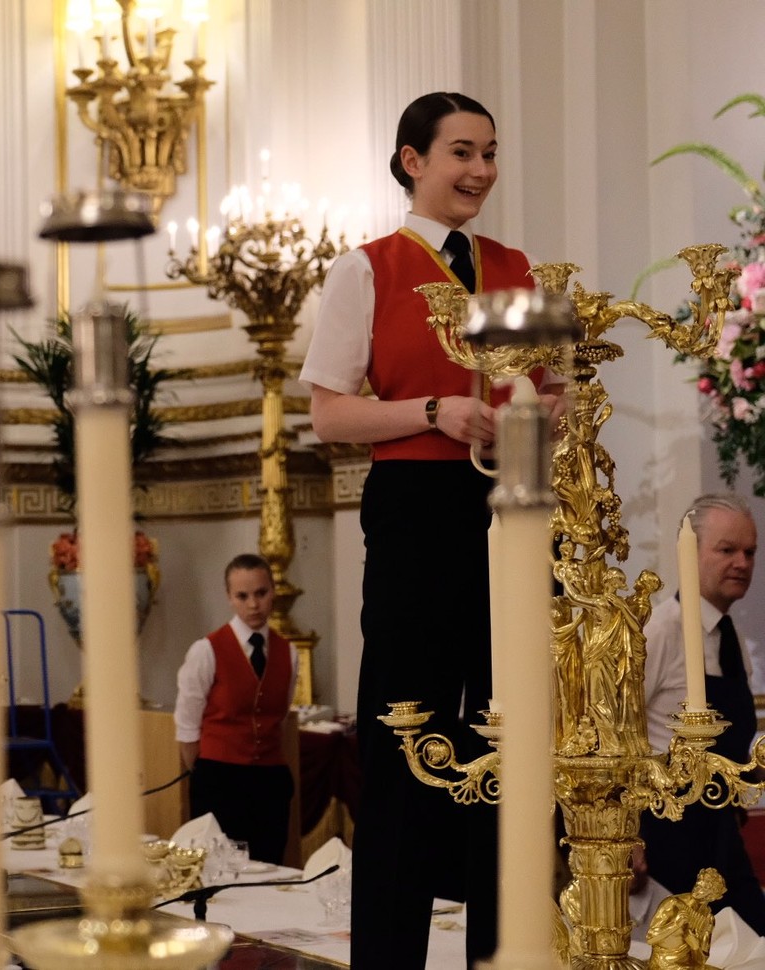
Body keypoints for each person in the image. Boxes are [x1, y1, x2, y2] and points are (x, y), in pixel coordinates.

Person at [300, 91, 563, 969]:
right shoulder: (364, 269)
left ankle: (507, 948)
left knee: (512, 737)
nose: (480, 170)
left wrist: (541, 413)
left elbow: (552, 391)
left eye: (489, 152)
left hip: (513, 518)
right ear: (412, 160)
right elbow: (331, 417)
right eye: (460, 152)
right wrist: (432, 410)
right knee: (407, 740)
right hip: (415, 517)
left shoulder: (516, 265)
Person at [641, 493, 765, 936]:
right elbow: (613, 735)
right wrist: (628, 841)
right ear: (690, 554)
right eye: (727, 549)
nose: (742, 563)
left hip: (719, 831)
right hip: (664, 836)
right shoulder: (661, 631)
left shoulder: (730, 637)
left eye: (750, 551)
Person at [173, 553, 298, 865]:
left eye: (261, 593)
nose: (253, 605)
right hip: (219, 781)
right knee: (219, 870)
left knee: (269, 869)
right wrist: (207, 773)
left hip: (270, 781)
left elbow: (279, 716)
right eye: (243, 596)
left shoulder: (289, 652)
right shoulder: (206, 650)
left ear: (273, 591)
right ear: (229, 598)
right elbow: (187, 727)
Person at [646, 867, 727, 969]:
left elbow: (701, 960)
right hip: (663, 963)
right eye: (699, 883)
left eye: (704, 888)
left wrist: (695, 946)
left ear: (712, 896)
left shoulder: (708, 919)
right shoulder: (673, 904)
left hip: (688, 964)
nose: (697, 888)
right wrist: (675, 924)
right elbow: (650, 938)